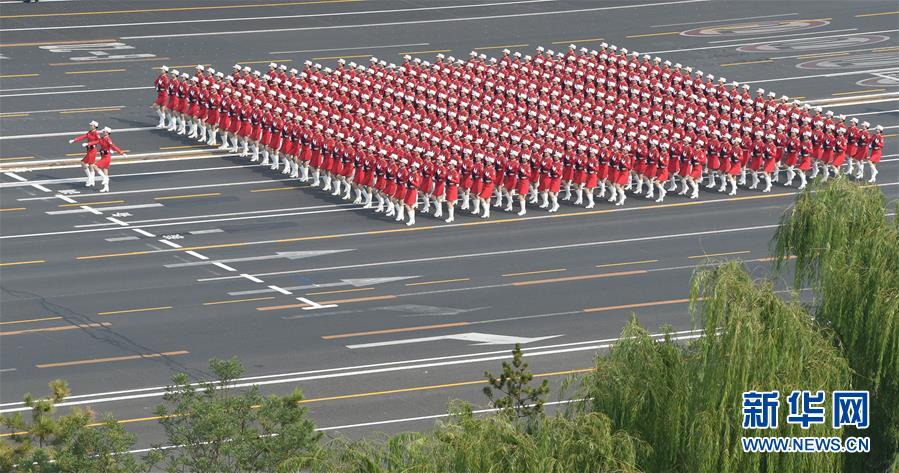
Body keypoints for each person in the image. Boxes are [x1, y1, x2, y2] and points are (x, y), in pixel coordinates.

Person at [94, 127, 127, 193]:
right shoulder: (103, 138)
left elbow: (114, 146)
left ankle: (105, 178)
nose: (102, 132)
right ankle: (106, 187)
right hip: (103, 156)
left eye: (104, 132)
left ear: (107, 133)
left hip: (106, 157)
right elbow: (99, 142)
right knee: (105, 170)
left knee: (95, 166)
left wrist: (122, 153)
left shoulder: (108, 139)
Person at [69, 121, 100, 187]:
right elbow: (82, 137)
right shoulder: (89, 132)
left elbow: (98, 141)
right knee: (91, 165)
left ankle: (90, 179)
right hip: (89, 150)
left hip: (93, 150)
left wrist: (88, 143)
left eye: (91, 125)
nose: (90, 126)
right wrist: (74, 140)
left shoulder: (96, 133)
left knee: (83, 162)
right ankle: (92, 181)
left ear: (94, 126)